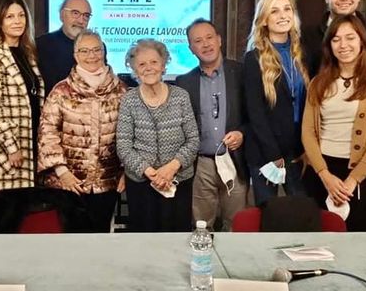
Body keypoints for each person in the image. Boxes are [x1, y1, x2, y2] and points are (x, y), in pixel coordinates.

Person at [302, 14, 366, 231]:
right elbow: (308, 132)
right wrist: (325, 175)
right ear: (329, 46)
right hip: (322, 171)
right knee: (321, 240)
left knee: (361, 240)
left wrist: (352, 181)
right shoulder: (318, 83)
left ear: (362, 41)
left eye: (350, 38)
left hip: (363, 175)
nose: (343, 45)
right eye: (336, 39)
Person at [38, 30, 126, 232]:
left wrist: (126, 172)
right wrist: (62, 172)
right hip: (68, 183)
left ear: (104, 52)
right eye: (84, 51)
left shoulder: (121, 91)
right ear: (75, 55)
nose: (91, 56)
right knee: (71, 241)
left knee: (100, 238)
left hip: (107, 183)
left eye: (96, 50)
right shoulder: (61, 92)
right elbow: (47, 134)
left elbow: (130, 135)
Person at [116, 39, 199, 232]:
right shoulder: (129, 100)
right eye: (141, 64)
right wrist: (150, 173)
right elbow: (123, 146)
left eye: (154, 62)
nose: (148, 68)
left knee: (176, 236)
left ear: (163, 65)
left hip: (178, 181)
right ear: (134, 70)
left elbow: (193, 140)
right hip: (142, 184)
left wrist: (171, 168)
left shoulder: (181, 96)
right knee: (144, 238)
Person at [176, 19, 248, 231]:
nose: (206, 44)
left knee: (236, 225)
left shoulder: (242, 73)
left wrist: (242, 133)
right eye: (198, 41)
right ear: (191, 48)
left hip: (234, 160)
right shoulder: (184, 82)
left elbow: (255, 116)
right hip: (201, 165)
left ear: (219, 40)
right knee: (201, 226)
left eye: (209, 38)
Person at [0, 0, 44, 203]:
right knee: (0, 213)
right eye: (10, 17)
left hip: (28, 143)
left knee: (21, 212)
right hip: (2, 152)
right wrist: (11, 147)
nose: (17, 21)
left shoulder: (28, 53)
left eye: (21, 15)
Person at [243, 0, 309, 206]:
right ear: (264, 20)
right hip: (265, 151)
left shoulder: (303, 53)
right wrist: (274, 154)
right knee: (269, 213)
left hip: (298, 149)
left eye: (287, 9)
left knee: (301, 210)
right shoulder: (254, 58)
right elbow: (255, 113)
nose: (283, 15)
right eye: (274, 11)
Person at [36, 0, 92, 94]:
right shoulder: (41, 45)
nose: (81, 21)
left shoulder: (96, 48)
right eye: (75, 13)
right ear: (62, 15)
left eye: (86, 16)